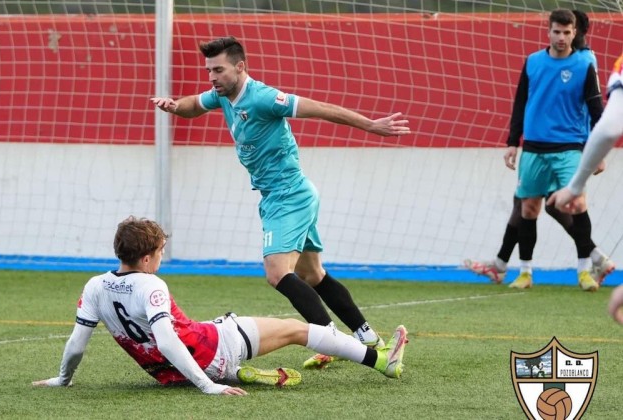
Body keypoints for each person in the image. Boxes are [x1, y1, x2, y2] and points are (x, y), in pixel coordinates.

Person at [151, 36, 410, 368]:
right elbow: (192, 106)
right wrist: (174, 105)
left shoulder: (262, 97)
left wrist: (371, 125)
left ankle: (335, 342)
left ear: (240, 67)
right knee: (314, 275)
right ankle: (369, 338)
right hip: (286, 195)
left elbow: (322, 109)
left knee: (277, 273)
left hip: (289, 196)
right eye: (209, 71)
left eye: (219, 70)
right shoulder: (223, 95)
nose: (212, 77)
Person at [32, 216, 409, 395]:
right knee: (299, 330)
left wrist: (62, 379)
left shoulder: (95, 285)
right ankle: (381, 362)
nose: (162, 258)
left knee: (209, 328)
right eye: (161, 251)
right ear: (147, 258)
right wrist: (208, 385)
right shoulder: (152, 286)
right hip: (211, 352)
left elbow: (77, 344)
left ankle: (235, 372)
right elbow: (167, 340)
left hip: (166, 375)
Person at [463, 9, 614, 287]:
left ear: (575, 33)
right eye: (556, 31)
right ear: (548, 31)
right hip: (533, 148)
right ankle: (525, 271)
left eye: (567, 32)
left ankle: (583, 270)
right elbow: (520, 102)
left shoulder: (584, 63)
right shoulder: (533, 62)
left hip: (570, 146)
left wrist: (599, 152)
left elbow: (596, 109)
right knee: (528, 207)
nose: (561, 37)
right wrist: (512, 142)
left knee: (574, 203)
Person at [547, 53, 623, 323]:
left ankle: (588, 262)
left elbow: (610, 128)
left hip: (571, 147)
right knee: (544, 204)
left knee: (556, 203)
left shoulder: (603, 63)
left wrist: (575, 185)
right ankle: (594, 257)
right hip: (541, 145)